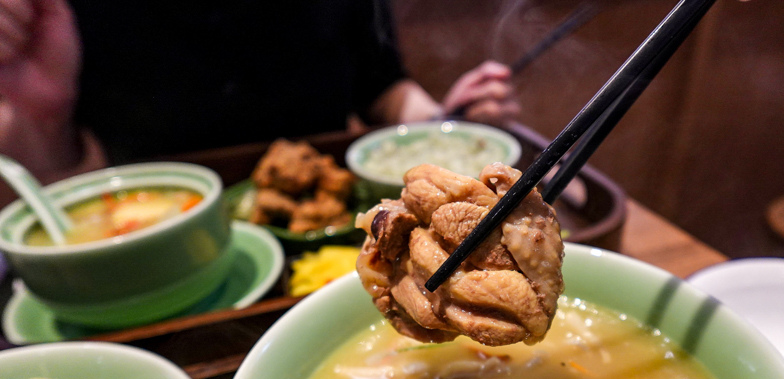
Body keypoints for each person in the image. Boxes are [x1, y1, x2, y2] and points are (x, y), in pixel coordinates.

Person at [0, 0, 519, 184]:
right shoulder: (68, 12)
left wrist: (447, 126)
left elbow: (383, 88)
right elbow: (49, 183)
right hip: (150, 248)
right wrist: (41, 118)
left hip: (343, 233)